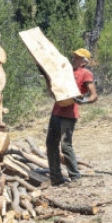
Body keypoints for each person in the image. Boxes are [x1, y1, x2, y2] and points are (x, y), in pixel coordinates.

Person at [46, 48, 98, 186]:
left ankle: (75, 177)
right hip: (56, 111)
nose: (73, 59)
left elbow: (94, 95)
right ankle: (56, 179)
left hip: (70, 114)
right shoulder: (65, 71)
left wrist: (85, 100)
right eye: (73, 57)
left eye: (76, 58)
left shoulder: (85, 73)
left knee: (65, 146)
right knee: (51, 144)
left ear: (83, 62)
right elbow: (53, 90)